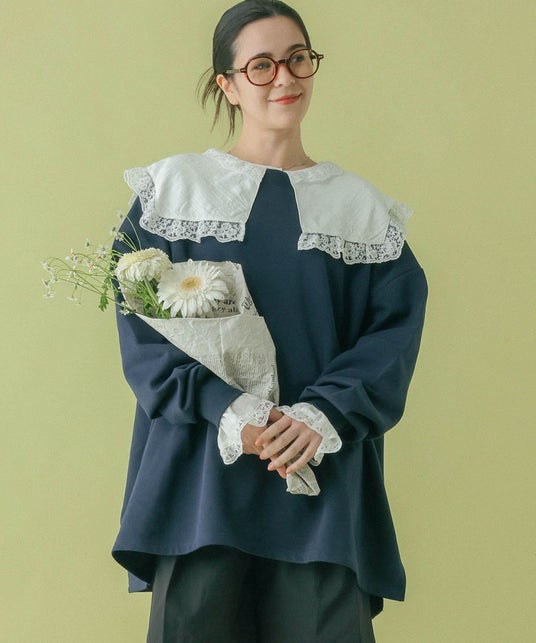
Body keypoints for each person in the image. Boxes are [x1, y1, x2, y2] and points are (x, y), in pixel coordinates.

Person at [111, 1, 427, 641]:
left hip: (318, 481)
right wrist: (232, 413)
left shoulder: (361, 210)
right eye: (261, 65)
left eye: (297, 59)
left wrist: (321, 416)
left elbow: (392, 337)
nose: (284, 77)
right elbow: (144, 338)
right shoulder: (172, 193)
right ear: (227, 84)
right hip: (201, 480)